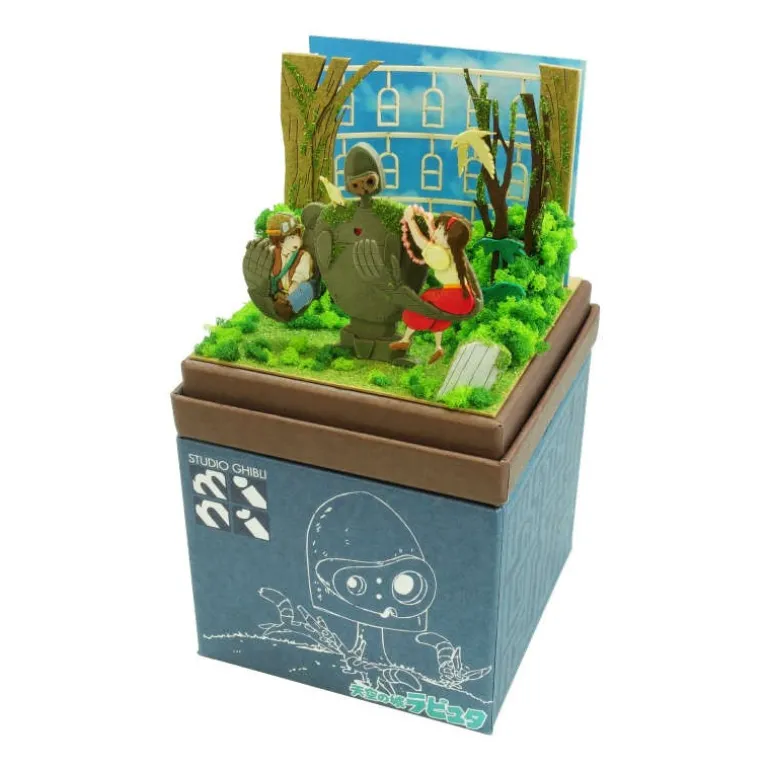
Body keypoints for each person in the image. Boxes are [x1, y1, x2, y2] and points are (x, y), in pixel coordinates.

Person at [390, 208, 477, 364]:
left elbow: (424, 243)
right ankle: (438, 347)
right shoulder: (454, 252)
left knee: (422, 304)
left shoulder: (442, 254)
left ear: (448, 237)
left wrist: (410, 220)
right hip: (465, 299)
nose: (435, 233)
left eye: (439, 230)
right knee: (436, 308)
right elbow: (437, 241)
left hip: (452, 297)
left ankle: (406, 338)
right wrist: (429, 222)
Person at [265, 213, 316, 321]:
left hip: (296, 291)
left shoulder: (303, 256)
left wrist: (289, 296)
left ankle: (290, 307)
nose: (297, 240)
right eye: (291, 237)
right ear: (280, 241)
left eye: (297, 235)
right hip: (279, 292)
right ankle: (281, 305)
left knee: (306, 289)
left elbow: (299, 278)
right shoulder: (274, 253)